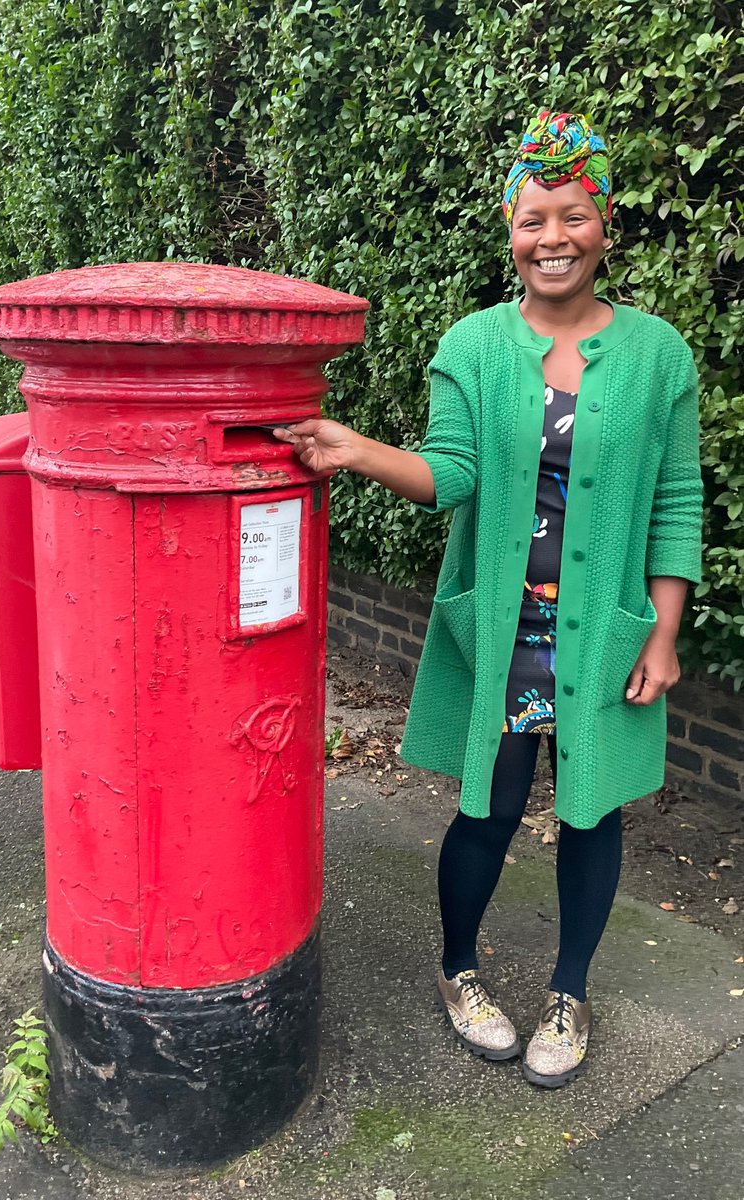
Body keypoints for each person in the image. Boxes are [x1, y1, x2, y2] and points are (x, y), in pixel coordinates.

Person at [275, 110, 703, 1087]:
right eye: (532, 218)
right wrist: (354, 449)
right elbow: (454, 473)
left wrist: (667, 631)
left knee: (594, 811)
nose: (552, 237)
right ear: (511, 230)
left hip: (606, 637)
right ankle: (458, 970)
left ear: (605, 227)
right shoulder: (471, 345)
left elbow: (678, 497)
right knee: (491, 806)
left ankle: (571, 991)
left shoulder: (658, 355)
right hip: (506, 636)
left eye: (573, 215)